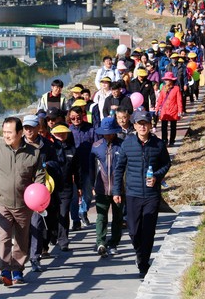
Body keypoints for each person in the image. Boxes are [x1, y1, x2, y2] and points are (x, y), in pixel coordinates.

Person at [0, 117, 46, 286]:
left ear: (20, 133)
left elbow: (40, 176)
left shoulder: (34, 152)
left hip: (23, 204)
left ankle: (17, 270)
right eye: (4, 132)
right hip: (1, 202)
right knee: (4, 237)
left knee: (21, 238)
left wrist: (39, 197)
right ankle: (5, 270)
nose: (6, 135)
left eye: (9, 132)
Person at [113, 111, 172, 278]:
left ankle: (143, 263)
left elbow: (166, 163)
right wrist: (117, 190)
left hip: (152, 195)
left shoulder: (158, 145)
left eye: (145, 123)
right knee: (133, 230)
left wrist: (157, 176)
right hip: (132, 194)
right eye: (139, 123)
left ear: (151, 125)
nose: (142, 126)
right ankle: (140, 254)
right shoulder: (127, 144)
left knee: (148, 230)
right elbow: (119, 169)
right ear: (134, 125)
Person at [22, 115, 59, 273]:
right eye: (26, 128)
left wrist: (45, 165)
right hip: (21, 190)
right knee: (22, 226)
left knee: (36, 224)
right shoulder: (18, 145)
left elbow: (56, 163)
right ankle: (21, 258)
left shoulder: (47, 146)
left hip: (38, 192)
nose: (29, 131)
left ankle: (35, 258)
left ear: (38, 128)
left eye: (32, 127)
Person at [90, 117, 124, 257]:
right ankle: (101, 243)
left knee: (118, 217)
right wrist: (92, 184)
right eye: (105, 132)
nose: (107, 135)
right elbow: (91, 168)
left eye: (110, 132)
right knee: (101, 216)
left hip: (119, 188)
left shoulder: (123, 145)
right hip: (101, 187)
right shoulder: (96, 146)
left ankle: (114, 243)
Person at [49, 123, 80, 250]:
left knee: (64, 212)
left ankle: (63, 241)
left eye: (63, 133)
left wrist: (79, 186)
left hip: (66, 186)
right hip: (51, 186)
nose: (61, 135)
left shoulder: (72, 149)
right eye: (58, 133)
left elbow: (77, 170)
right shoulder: (50, 148)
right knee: (52, 213)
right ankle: (52, 235)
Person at [68, 106, 97, 231]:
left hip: (88, 165)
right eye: (73, 118)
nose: (76, 120)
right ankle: (75, 220)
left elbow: (97, 145)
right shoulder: (68, 130)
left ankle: (83, 211)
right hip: (73, 167)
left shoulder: (90, 129)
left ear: (82, 116)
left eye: (78, 117)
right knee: (74, 195)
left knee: (88, 192)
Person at [155, 72, 183, 147]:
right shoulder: (163, 88)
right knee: (164, 127)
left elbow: (179, 100)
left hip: (173, 110)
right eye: (165, 80)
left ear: (171, 80)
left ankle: (172, 140)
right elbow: (160, 99)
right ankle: (164, 140)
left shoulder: (176, 89)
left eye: (168, 80)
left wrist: (180, 110)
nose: (166, 81)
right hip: (164, 111)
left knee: (173, 127)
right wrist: (157, 108)